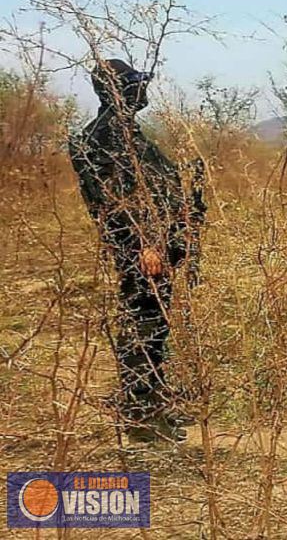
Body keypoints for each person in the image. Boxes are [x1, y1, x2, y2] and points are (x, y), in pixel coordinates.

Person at [69, 59, 206, 443]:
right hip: (141, 249)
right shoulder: (109, 135)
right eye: (135, 83)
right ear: (118, 90)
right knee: (143, 323)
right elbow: (117, 198)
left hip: (152, 245)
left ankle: (150, 398)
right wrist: (147, 243)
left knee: (153, 323)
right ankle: (142, 413)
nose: (143, 89)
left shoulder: (124, 131)